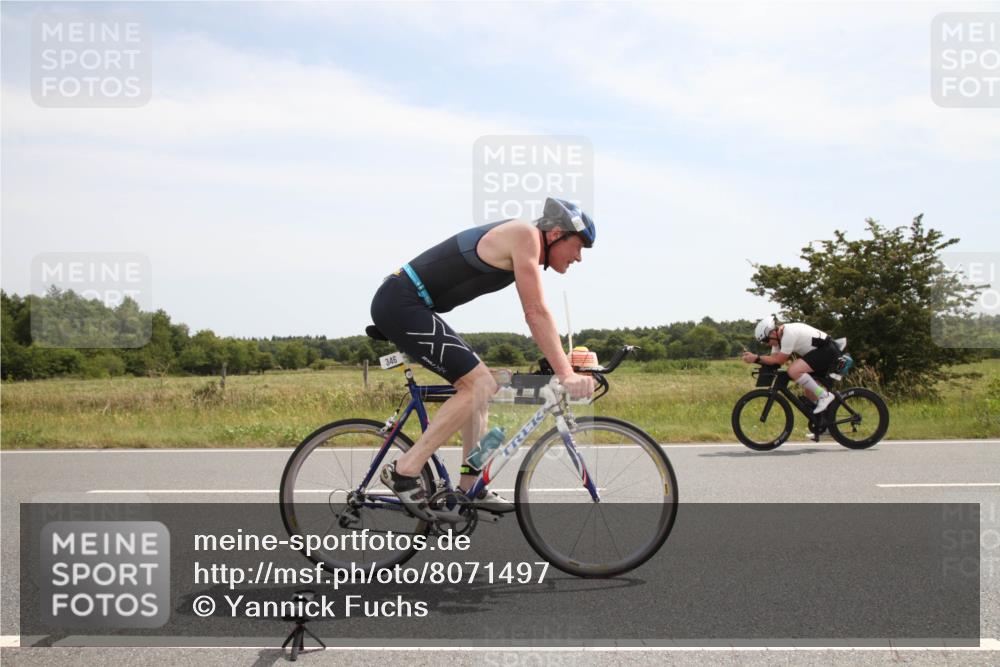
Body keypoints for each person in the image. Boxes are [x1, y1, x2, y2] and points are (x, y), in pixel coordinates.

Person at [370, 197, 596, 520]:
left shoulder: (525, 244)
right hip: (401, 302)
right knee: (480, 384)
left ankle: (469, 486)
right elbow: (535, 311)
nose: (579, 257)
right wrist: (565, 373)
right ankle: (405, 470)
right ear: (557, 233)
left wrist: (556, 363)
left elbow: (534, 314)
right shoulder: (525, 235)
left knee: (485, 386)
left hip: (410, 304)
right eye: (579, 246)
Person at [741, 316, 843, 415]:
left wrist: (756, 358)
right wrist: (756, 360)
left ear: (772, 332)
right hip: (819, 353)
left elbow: (779, 360)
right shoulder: (778, 340)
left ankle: (824, 395)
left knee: (793, 370)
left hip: (827, 350)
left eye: (766, 340)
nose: (767, 344)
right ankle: (823, 422)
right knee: (810, 393)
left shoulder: (788, 334)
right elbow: (773, 360)